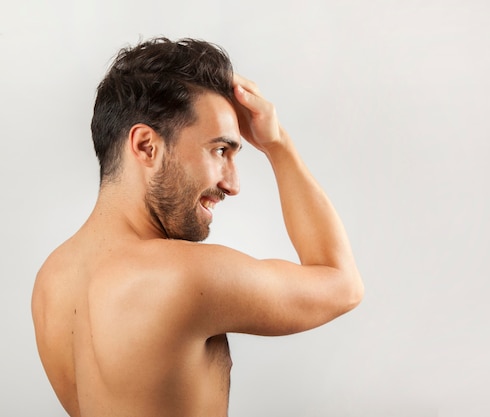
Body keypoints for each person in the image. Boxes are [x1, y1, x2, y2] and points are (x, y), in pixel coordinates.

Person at [31, 37, 363, 417]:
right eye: (220, 150)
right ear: (146, 146)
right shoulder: (182, 275)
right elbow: (342, 283)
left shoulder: (51, 281)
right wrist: (277, 144)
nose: (233, 184)